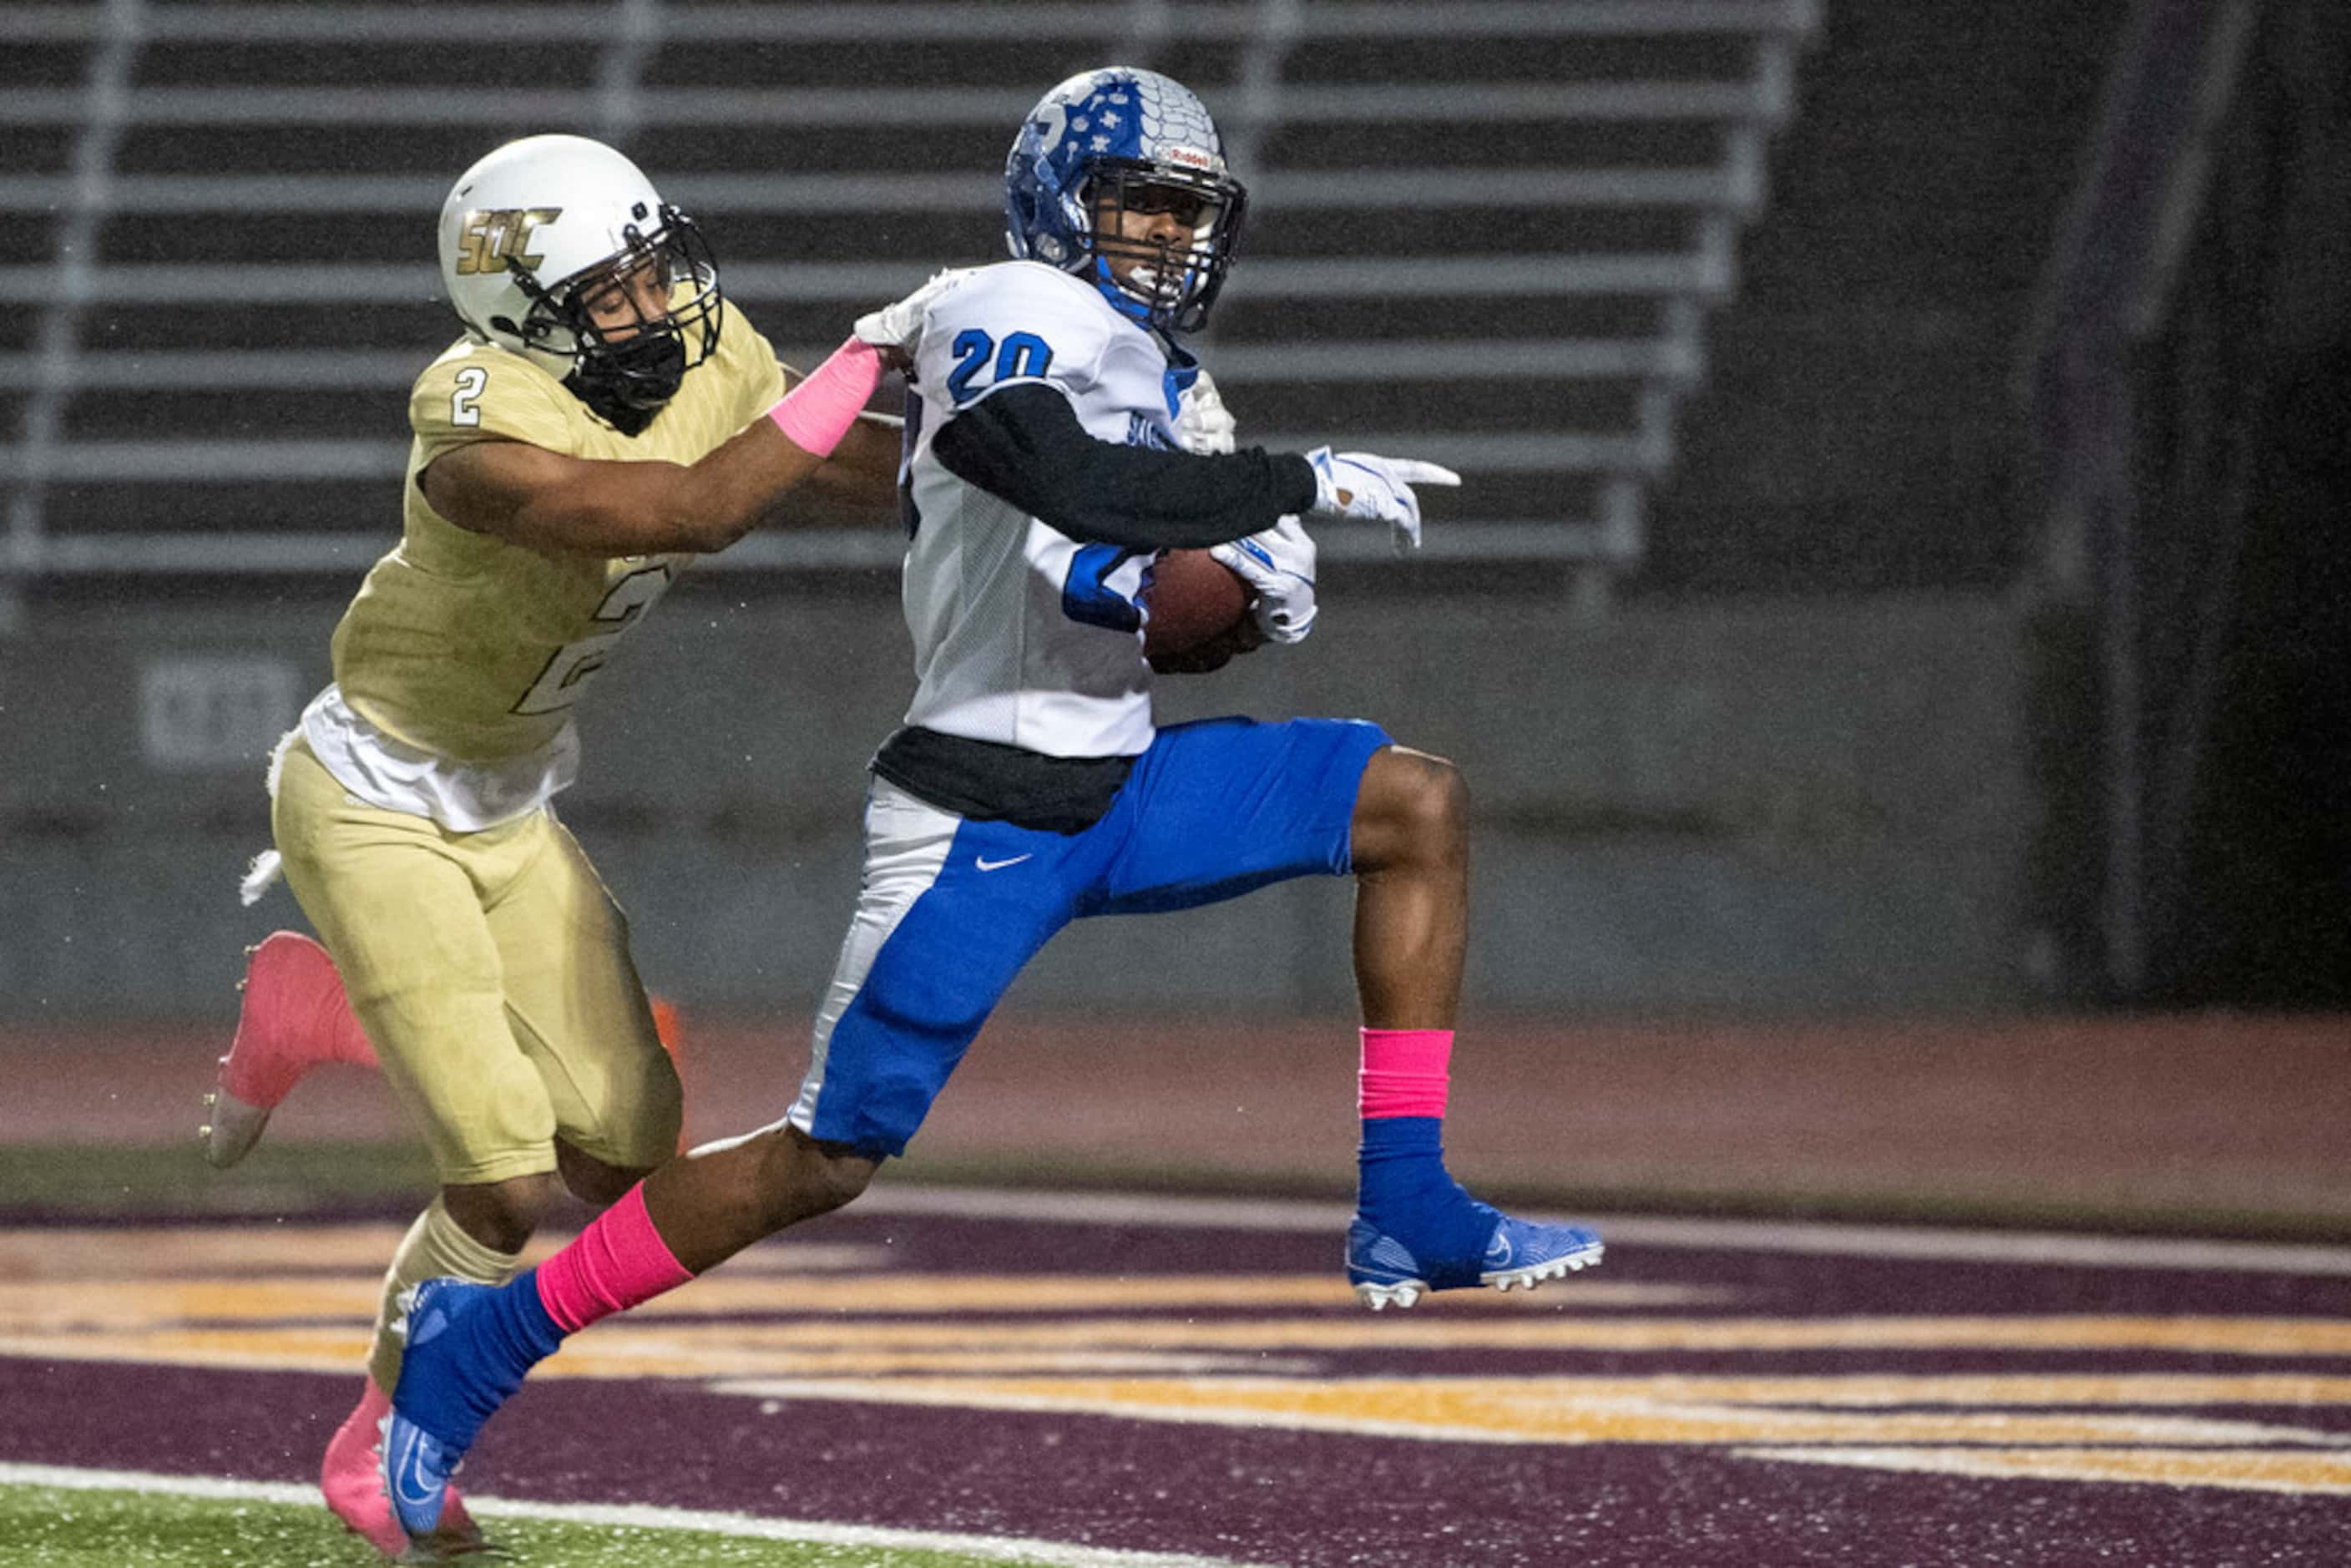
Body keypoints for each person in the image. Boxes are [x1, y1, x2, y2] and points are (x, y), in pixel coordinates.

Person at [377, 70, 1604, 1545]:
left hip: (1125, 779)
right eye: (1135, 204)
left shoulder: (1164, 378)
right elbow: (1044, 464)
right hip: (983, 813)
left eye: (1182, 211)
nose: (1162, 237)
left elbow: (1167, 586)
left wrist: (1244, 581)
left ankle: (1407, 1193)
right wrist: (1289, 487)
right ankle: (487, 1339)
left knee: (1412, 803)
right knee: (822, 1157)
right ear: (1056, 208)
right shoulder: (997, 304)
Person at [200, 131, 933, 1558]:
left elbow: (838, 464)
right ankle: (375, 1443)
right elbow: (687, 509)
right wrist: (865, 350)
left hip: (512, 797)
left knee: (622, 1150)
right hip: (371, 797)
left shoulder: (705, 358)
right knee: (502, 1175)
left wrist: (1044, 477)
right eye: (614, 293)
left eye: (661, 274)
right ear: (520, 310)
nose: (658, 312)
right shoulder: (473, 414)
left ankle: (315, 1005)